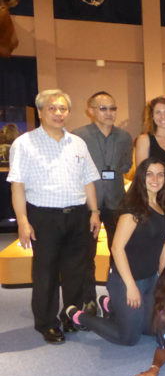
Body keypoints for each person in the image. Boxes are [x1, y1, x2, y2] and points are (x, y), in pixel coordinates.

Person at [7, 89, 101, 344]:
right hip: (44, 218)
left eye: (63, 109)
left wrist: (94, 212)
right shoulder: (24, 143)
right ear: (40, 112)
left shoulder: (78, 143)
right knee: (45, 273)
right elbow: (18, 186)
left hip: (78, 216)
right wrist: (23, 222)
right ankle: (47, 324)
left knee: (75, 272)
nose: (59, 113)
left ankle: (71, 316)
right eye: (52, 108)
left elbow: (89, 180)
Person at [66, 158, 165, 346]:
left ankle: (110, 304)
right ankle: (78, 316)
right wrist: (131, 286)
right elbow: (117, 248)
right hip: (126, 281)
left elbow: (163, 245)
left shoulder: (163, 207)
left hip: (150, 280)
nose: (155, 179)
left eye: (160, 174)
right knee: (129, 338)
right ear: (141, 177)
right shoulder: (133, 209)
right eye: (149, 174)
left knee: (151, 330)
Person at [72, 91, 134, 315]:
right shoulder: (78, 137)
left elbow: (126, 166)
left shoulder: (125, 137)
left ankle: (114, 298)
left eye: (112, 108)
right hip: (89, 206)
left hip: (117, 203)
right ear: (91, 110)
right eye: (103, 108)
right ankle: (89, 301)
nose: (109, 113)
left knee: (119, 253)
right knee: (86, 254)